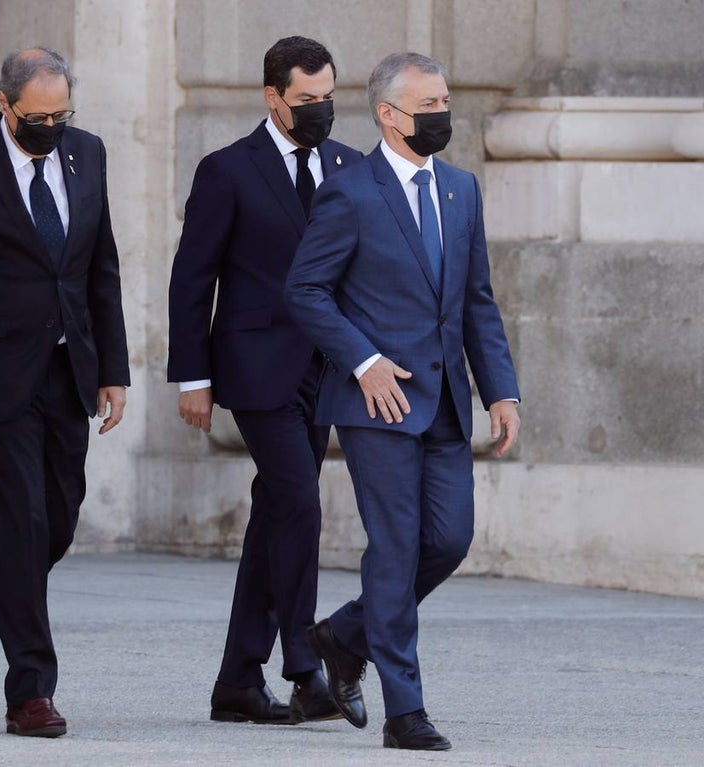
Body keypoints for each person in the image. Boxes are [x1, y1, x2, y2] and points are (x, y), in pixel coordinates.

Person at [284, 52, 521, 751]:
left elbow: (477, 300)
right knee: (394, 549)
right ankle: (404, 708)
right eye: (429, 105)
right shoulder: (350, 192)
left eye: (446, 101)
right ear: (389, 115)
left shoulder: (461, 189)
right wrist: (361, 360)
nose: (442, 115)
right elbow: (305, 290)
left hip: (447, 401)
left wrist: (500, 389)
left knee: (448, 539)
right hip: (375, 406)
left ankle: (345, 633)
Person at [0, 46, 129, 738]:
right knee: (24, 521)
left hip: (69, 369)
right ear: (4, 104)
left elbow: (101, 265)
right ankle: (31, 690)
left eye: (61, 114)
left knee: (59, 523)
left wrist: (114, 368)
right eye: (37, 116)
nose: (52, 126)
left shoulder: (87, 154)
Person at [167, 36, 361, 726]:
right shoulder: (228, 170)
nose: (320, 110)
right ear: (272, 97)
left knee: (275, 517)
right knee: (300, 505)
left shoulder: (348, 165)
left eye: (328, 97)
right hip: (254, 367)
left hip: (324, 368)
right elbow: (192, 278)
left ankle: (235, 681)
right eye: (306, 100)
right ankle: (307, 666)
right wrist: (193, 375)